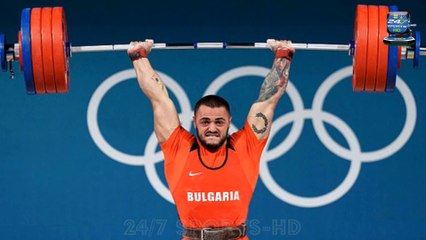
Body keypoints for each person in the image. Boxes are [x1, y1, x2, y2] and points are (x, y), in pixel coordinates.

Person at [128, 39, 294, 240]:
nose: (212, 128)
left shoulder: (246, 146)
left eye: (219, 122)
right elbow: (157, 97)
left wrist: (283, 55)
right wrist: (139, 55)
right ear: (195, 122)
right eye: (205, 121)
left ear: (229, 122)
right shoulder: (178, 146)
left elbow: (268, 100)